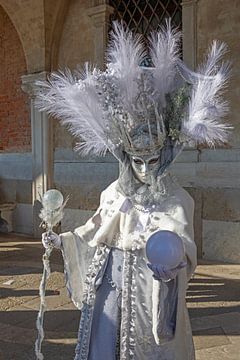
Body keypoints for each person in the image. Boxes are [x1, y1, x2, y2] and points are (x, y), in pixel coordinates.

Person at [37, 20, 230, 360]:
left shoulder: (176, 198)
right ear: (125, 158)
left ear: (164, 157)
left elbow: (184, 251)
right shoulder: (115, 191)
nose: (143, 169)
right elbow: (94, 229)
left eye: (151, 161)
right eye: (136, 162)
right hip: (112, 282)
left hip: (150, 290)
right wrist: (62, 239)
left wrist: (171, 269)